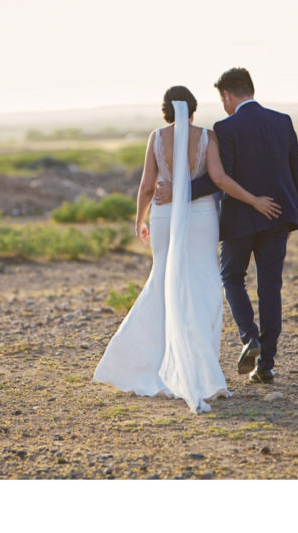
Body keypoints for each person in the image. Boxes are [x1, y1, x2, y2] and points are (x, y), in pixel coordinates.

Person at [92, 86, 281, 414]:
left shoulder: (156, 138)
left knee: (164, 282)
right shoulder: (208, 136)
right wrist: (253, 199)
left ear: (166, 110)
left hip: (164, 216)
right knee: (205, 285)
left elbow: (147, 186)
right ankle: (203, 370)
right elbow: (220, 179)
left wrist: (139, 220)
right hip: (202, 217)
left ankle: (149, 362)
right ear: (192, 109)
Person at [154, 68, 298, 383]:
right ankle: (266, 365)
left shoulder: (227, 127)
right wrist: (288, 216)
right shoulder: (283, 121)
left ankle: (249, 336)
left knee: (232, 277)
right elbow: (297, 174)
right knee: (271, 287)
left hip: (239, 220)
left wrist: (179, 192)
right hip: (277, 217)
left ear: (226, 95)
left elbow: (219, 178)